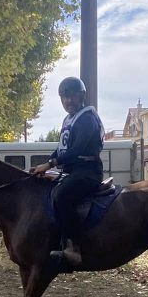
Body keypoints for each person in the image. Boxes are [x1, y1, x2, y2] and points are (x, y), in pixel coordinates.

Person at [31, 75, 104, 268]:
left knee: (62, 195)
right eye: (64, 98)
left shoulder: (87, 118)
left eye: (71, 96)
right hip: (73, 171)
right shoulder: (69, 120)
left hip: (88, 172)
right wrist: (44, 165)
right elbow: (62, 149)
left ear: (82, 96)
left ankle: (74, 248)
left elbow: (77, 150)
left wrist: (50, 165)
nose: (67, 101)